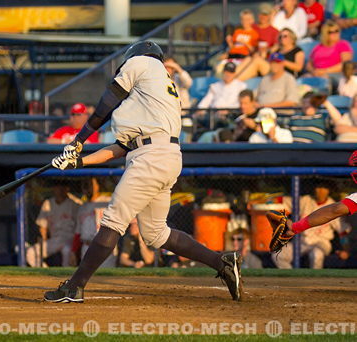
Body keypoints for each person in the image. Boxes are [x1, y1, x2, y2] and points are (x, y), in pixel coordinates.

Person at [44, 41, 243, 303]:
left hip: (150, 157)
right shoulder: (157, 93)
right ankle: (221, 261)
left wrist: (79, 139)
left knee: (113, 221)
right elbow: (119, 148)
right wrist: (77, 162)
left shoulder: (143, 62)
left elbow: (108, 100)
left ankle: (75, 286)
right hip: (164, 155)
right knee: (156, 233)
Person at [272, 182, 347, 269]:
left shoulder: (333, 206)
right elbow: (282, 200)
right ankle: (293, 279)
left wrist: (345, 250)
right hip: (302, 242)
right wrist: (264, 200)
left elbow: (343, 231)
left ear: (329, 191)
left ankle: (315, 281)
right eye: (318, 187)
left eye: (323, 188)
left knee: (316, 254)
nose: (320, 191)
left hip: (322, 242)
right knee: (278, 255)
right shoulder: (305, 200)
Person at [26, 183, 80, 267]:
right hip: (54, 239)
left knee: (67, 251)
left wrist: (76, 246)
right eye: (57, 186)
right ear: (53, 188)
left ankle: (66, 278)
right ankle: (47, 275)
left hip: (69, 239)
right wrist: (44, 243)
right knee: (31, 252)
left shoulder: (75, 203)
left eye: (63, 187)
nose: (60, 189)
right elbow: (43, 226)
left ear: (67, 188)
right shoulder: (48, 203)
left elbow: (79, 227)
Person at [72, 177, 115, 267]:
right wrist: (73, 251)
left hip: (105, 246)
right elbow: (78, 233)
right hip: (87, 247)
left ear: (98, 186)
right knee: (88, 277)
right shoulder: (82, 207)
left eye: (91, 185)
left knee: (106, 275)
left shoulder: (108, 201)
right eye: (85, 185)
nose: (87, 188)